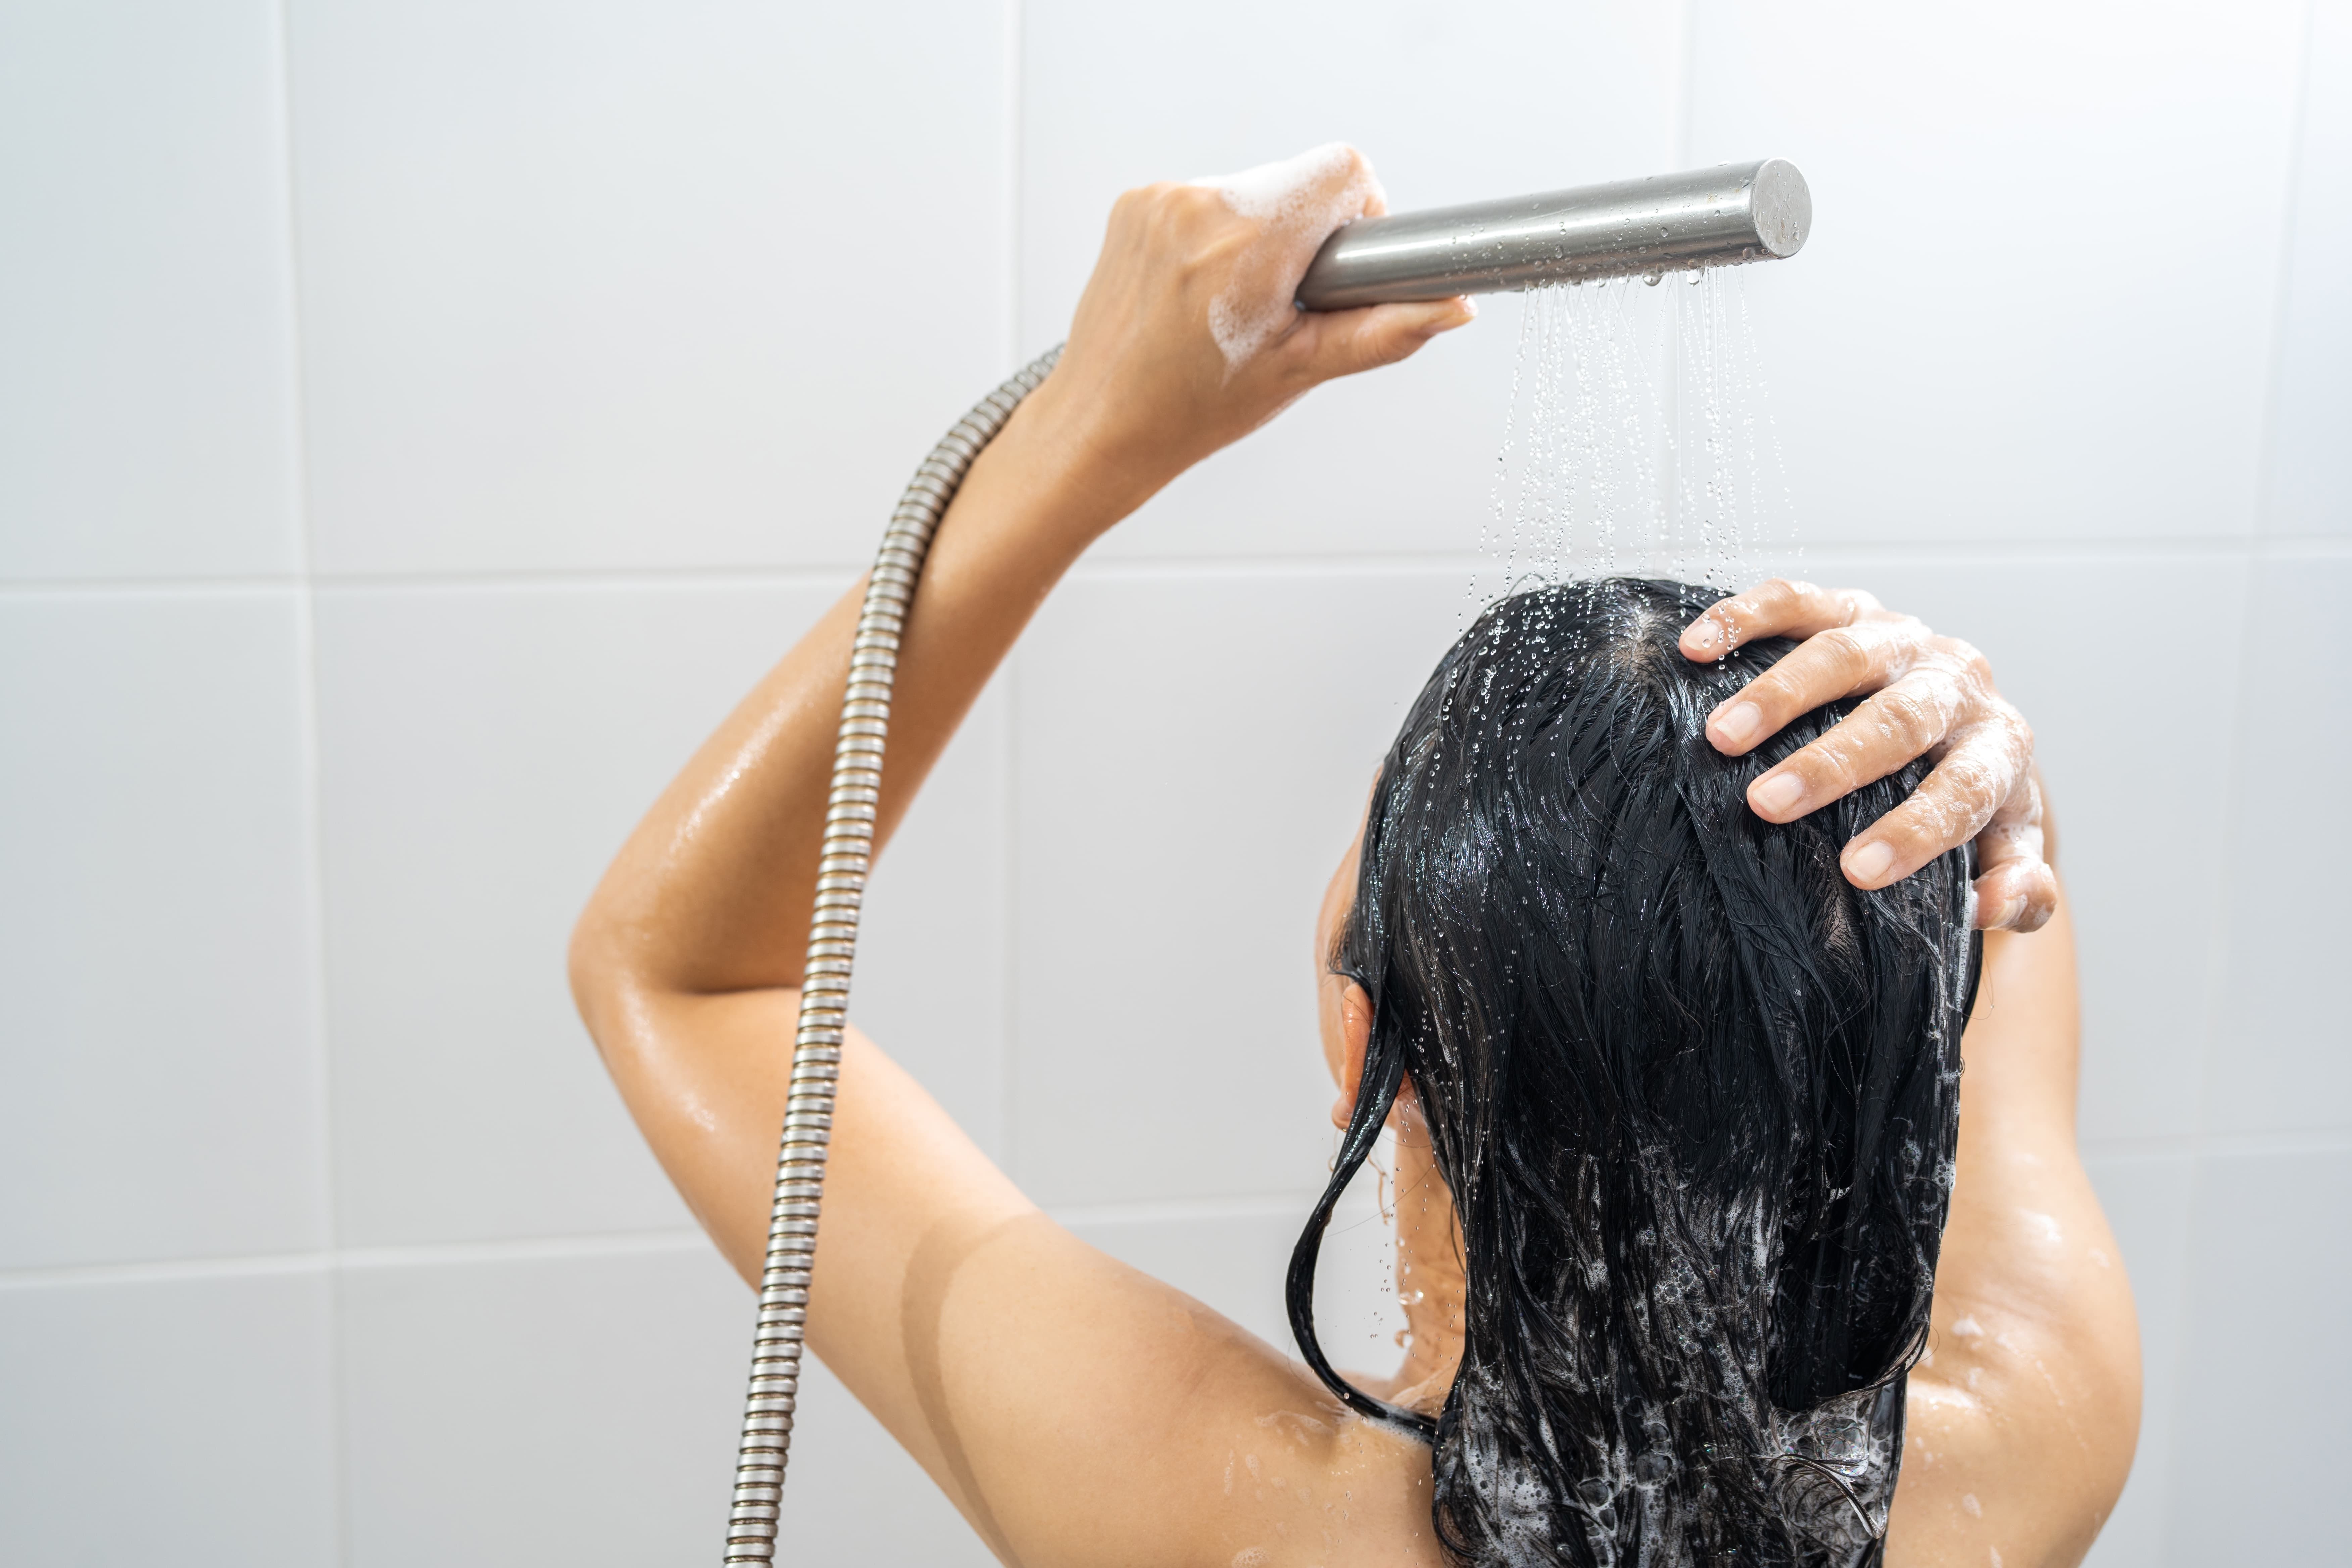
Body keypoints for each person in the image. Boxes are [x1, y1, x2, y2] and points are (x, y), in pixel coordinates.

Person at [570, 147, 2137, 1567]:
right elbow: (1986, 888)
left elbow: (685, 972)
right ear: (1893, 1061)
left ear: (1358, 1026)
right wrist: (1963, 733)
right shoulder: (2026, 1442)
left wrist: (1092, 432)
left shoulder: (1199, 1504)